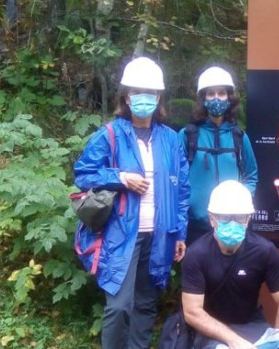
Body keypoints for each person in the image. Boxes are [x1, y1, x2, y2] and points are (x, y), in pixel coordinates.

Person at [73, 57, 190, 349]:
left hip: (159, 234)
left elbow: (182, 190)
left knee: (146, 304)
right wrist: (121, 177)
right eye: (137, 92)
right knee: (120, 305)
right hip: (122, 234)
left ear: (159, 97)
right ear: (126, 96)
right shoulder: (111, 134)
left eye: (149, 93)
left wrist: (180, 233)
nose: (143, 99)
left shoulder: (171, 139)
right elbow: (83, 174)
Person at [182, 180, 279, 349]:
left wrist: (276, 341)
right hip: (210, 328)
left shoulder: (264, 251)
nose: (233, 223)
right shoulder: (197, 254)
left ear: (249, 218)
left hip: (251, 324)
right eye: (226, 218)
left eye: (240, 217)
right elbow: (192, 312)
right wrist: (233, 341)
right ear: (212, 219)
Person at [179, 66, 258, 245]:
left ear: (229, 98)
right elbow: (176, 179)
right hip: (195, 225)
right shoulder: (188, 135)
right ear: (203, 98)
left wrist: (240, 202)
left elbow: (251, 175)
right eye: (211, 93)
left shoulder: (239, 137)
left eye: (221, 93)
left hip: (231, 225)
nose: (216, 98)